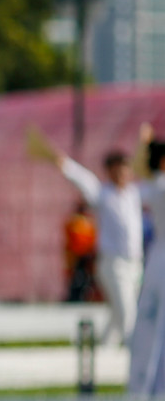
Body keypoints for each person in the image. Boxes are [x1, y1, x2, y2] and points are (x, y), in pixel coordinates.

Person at [54, 146, 143, 346]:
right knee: (128, 314)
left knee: (117, 315)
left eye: (126, 168)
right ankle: (134, 360)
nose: (123, 173)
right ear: (110, 170)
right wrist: (66, 164)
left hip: (135, 264)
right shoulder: (103, 194)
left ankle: (104, 353)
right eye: (118, 169)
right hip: (113, 265)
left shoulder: (133, 194)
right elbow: (85, 180)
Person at [129, 131, 165, 395]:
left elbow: (137, 173)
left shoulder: (154, 186)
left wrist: (144, 146)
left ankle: (141, 387)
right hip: (160, 257)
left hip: (155, 257)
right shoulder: (159, 185)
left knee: (148, 325)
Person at [64, 201, 99, 302]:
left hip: (83, 255)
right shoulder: (77, 221)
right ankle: (75, 296)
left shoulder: (84, 222)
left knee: (83, 279)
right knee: (77, 278)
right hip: (77, 255)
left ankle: (82, 296)